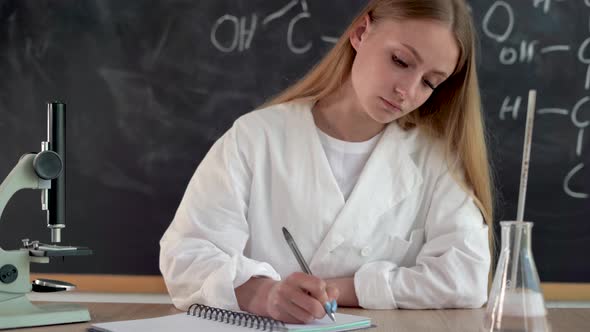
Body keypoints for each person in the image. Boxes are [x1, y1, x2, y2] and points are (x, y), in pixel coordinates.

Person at [159, 0, 494, 324]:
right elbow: (185, 255)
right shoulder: (256, 137)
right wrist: (263, 294)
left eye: (429, 82)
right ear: (362, 32)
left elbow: (467, 277)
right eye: (401, 61)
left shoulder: (435, 160)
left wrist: (338, 290)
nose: (407, 90)